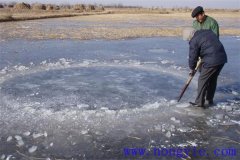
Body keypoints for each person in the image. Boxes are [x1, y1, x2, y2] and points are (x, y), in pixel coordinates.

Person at [182, 27, 227, 108]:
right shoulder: (207, 32)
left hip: (212, 60)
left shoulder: (194, 40)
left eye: (188, 39)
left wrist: (192, 68)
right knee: (212, 79)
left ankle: (199, 102)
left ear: (189, 36)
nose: (188, 41)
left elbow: (193, 57)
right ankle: (209, 99)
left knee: (202, 79)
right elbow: (208, 46)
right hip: (222, 58)